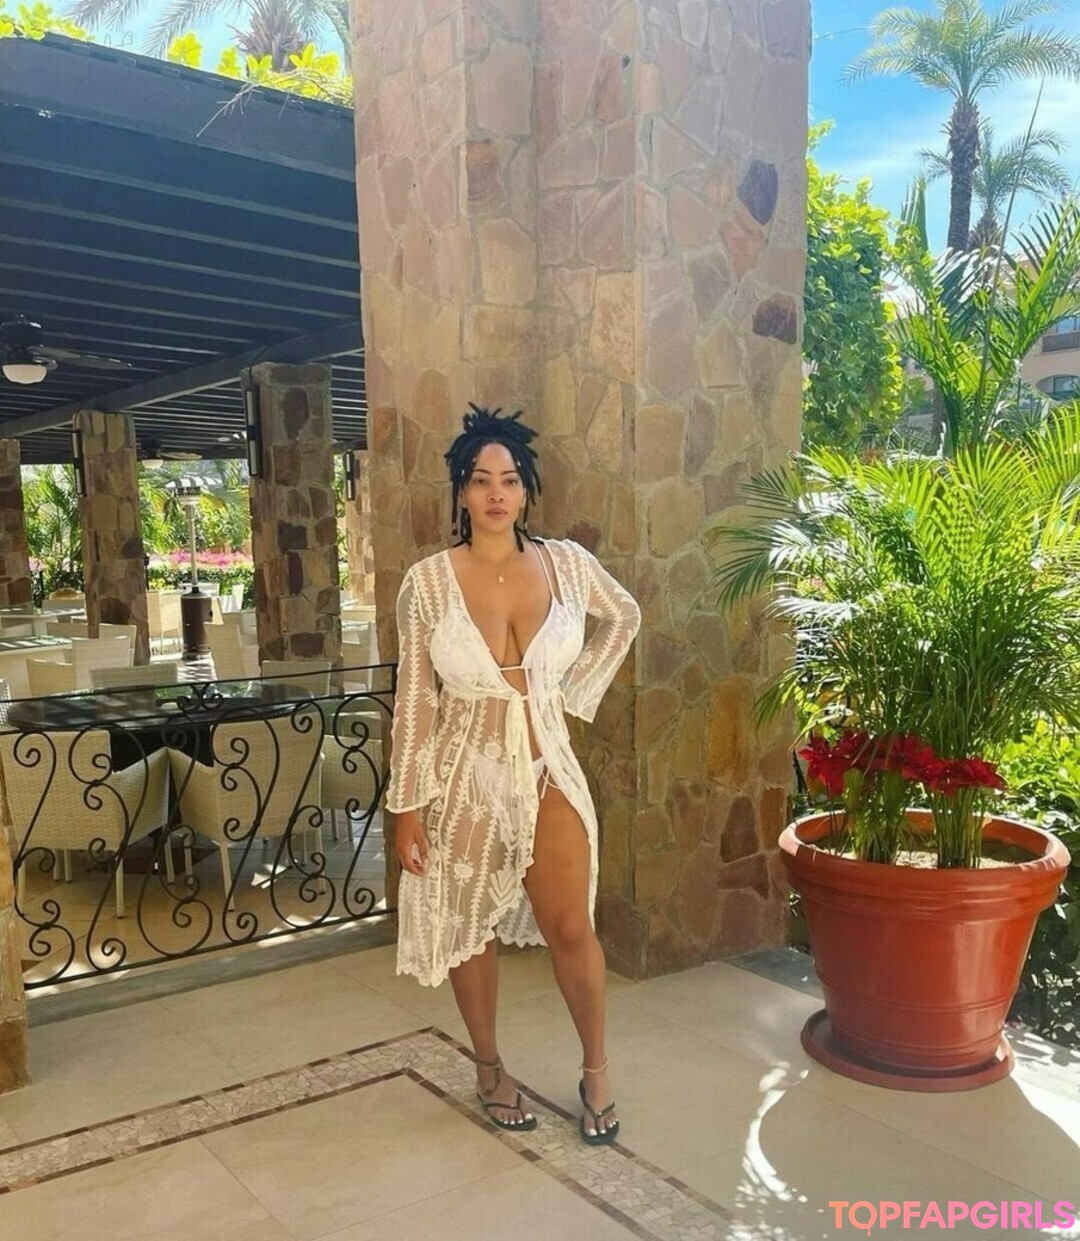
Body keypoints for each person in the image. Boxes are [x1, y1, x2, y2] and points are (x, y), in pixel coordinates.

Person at [386, 405, 640, 1146]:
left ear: (526, 490)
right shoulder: (428, 584)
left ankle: (596, 1071)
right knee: (469, 929)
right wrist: (407, 808)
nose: (495, 493)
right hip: (460, 775)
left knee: (571, 926)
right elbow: (415, 700)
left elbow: (624, 616)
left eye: (509, 480)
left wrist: (571, 694)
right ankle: (490, 1068)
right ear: (461, 492)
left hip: (547, 766)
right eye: (480, 480)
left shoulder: (566, 564)